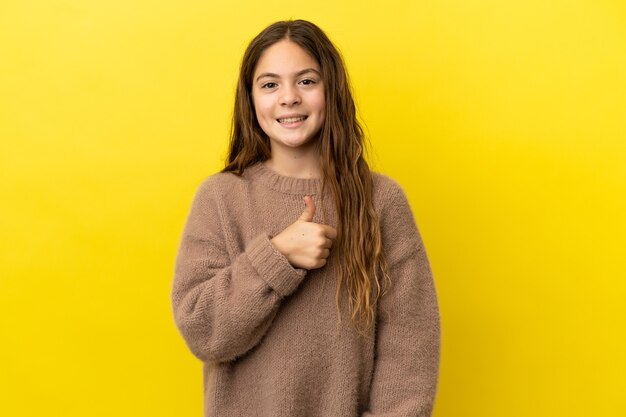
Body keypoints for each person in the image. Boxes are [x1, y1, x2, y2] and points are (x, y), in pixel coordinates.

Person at [171, 19, 440, 417]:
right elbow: (202, 331)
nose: (289, 98)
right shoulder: (220, 198)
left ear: (331, 90)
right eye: (270, 84)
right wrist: (276, 256)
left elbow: (411, 344)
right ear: (251, 99)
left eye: (307, 81)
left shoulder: (380, 200)